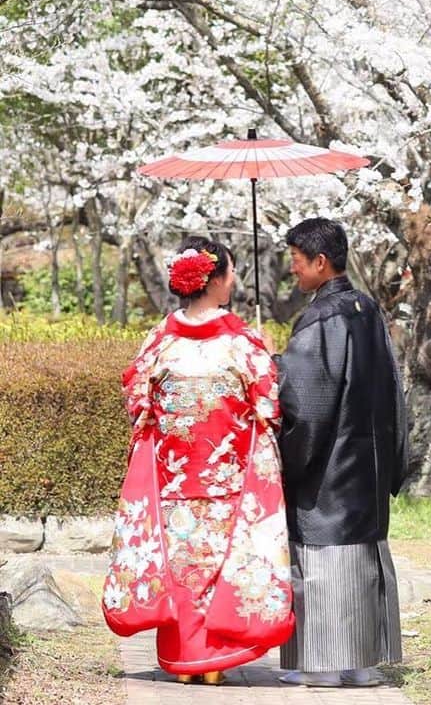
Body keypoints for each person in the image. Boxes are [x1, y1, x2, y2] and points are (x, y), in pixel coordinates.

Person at [102, 236, 294, 684]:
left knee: (179, 559)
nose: (233, 280)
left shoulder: (159, 342)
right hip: (228, 474)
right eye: (229, 272)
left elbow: (138, 400)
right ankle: (212, 665)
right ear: (214, 282)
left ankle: (183, 663)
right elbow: (269, 405)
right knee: (222, 560)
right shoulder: (243, 343)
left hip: (173, 475)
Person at [276, 217, 409, 688]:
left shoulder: (321, 318)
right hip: (366, 462)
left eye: (296, 261)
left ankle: (324, 664)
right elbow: (394, 387)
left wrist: (274, 368)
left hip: (330, 462)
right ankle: (364, 662)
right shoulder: (367, 309)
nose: (292, 271)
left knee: (324, 552)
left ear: (319, 262)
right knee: (363, 552)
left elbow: (307, 402)